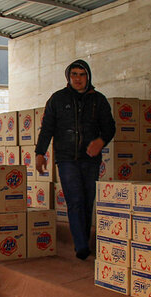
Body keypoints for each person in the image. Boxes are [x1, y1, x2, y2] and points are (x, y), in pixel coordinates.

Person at [35, 59, 116, 260]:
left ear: (88, 76)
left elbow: (109, 127)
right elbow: (47, 129)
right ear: (68, 77)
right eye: (74, 75)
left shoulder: (99, 100)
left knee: (88, 200)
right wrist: (39, 153)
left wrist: (101, 140)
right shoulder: (57, 99)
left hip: (90, 159)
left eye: (82, 74)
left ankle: (83, 240)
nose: (78, 79)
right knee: (76, 200)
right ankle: (81, 246)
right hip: (66, 159)